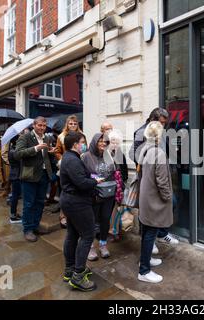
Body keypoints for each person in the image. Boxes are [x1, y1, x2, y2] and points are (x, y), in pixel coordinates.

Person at [129, 108, 179, 254]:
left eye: (165, 123)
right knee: (146, 213)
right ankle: (149, 242)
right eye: (161, 122)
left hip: (161, 175)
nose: (163, 125)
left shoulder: (161, 131)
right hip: (148, 179)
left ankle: (161, 234)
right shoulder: (141, 132)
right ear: (153, 119)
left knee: (171, 203)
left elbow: (164, 149)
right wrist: (148, 164)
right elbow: (133, 152)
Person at [60, 131, 104, 292]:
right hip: (77, 203)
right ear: (75, 144)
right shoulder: (72, 159)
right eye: (82, 141)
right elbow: (81, 183)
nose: (84, 144)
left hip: (71, 201)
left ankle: (70, 270)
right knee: (87, 235)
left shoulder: (70, 157)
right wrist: (95, 181)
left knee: (72, 234)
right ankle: (78, 276)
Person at [137, 121, 173, 283]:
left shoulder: (144, 149)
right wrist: (167, 197)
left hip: (146, 198)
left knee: (146, 232)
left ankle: (145, 260)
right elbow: (162, 180)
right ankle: (144, 271)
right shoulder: (158, 152)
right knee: (150, 234)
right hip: (154, 199)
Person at [14, 117, 54, 242]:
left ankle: (35, 225)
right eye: (40, 125)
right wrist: (36, 148)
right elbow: (17, 154)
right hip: (30, 175)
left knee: (40, 202)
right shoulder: (25, 137)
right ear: (34, 125)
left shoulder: (47, 138)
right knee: (28, 204)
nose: (42, 128)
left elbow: (45, 156)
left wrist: (50, 151)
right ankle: (28, 229)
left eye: (44, 126)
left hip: (44, 174)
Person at [82, 133, 116, 260]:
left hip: (108, 194)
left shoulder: (109, 155)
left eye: (105, 142)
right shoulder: (86, 156)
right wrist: (95, 179)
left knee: (105, 219)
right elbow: (82, 176)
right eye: (100, 141)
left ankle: (102, 245)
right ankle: (90, 247)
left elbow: (113, 173)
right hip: (94, 194)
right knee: (92, 221)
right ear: (95, 142)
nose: (103, 143)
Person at [54, 115, 86, 228]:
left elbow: (84, 149)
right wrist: (62, 160)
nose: (72, 125)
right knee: (65, 191)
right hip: (65, 166)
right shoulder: (61, 136)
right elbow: (57, 151)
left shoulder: (82, 135)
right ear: (67, 124)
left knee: (77, 191)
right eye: (70, 123)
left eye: (75, 123)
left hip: (79, 165)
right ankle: (63, 217)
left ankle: (74, 216)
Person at [8, 135, 22, 224]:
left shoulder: (12, 150)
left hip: (14, 174)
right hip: (16, 176)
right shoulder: (14, 151)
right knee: (15, 196)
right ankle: (13, 216)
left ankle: (14, 214)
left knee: (15, 195)